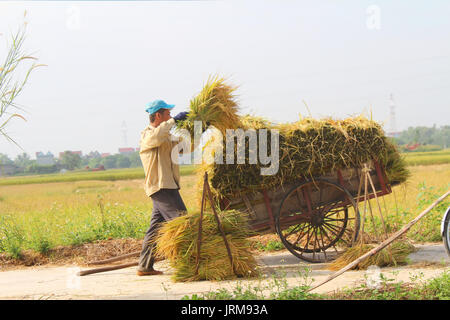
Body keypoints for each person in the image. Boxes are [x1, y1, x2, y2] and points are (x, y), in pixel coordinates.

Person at [137, 99, 189, 276]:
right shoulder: (147, 135)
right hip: (161, 188)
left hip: (169, 186)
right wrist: (173, 122)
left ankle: (145, 266)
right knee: (183, 223)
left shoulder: (167, 137)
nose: (171, 117)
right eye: (168, 114)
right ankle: (189, 263)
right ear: (158, 115)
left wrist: (198, 129)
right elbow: (157, 137)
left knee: (156, 228)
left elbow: (185, 148)